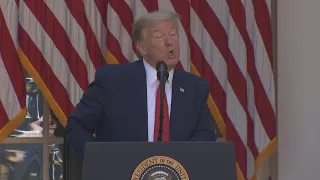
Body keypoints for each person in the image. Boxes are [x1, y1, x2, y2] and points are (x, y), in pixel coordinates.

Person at [65, 11, 217, 162]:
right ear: (142, 48)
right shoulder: (112, 81)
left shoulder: (195, 87)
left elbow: (206, 134)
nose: (170, 42)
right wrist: (101, 162)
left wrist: (179, 161)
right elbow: (77, 125)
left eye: (173, 34)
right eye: (159, 36)